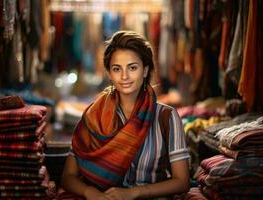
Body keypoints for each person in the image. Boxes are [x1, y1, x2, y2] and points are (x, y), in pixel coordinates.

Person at [61, 30, 190, 200]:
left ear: (145, 70)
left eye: (132, 68)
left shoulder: (166, 117)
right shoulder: (94, 115)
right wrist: (92, 194)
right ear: (109, 73)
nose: (124, 76)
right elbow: (67, 177)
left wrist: (134, 193)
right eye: (117, 69)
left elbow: (182, 182)